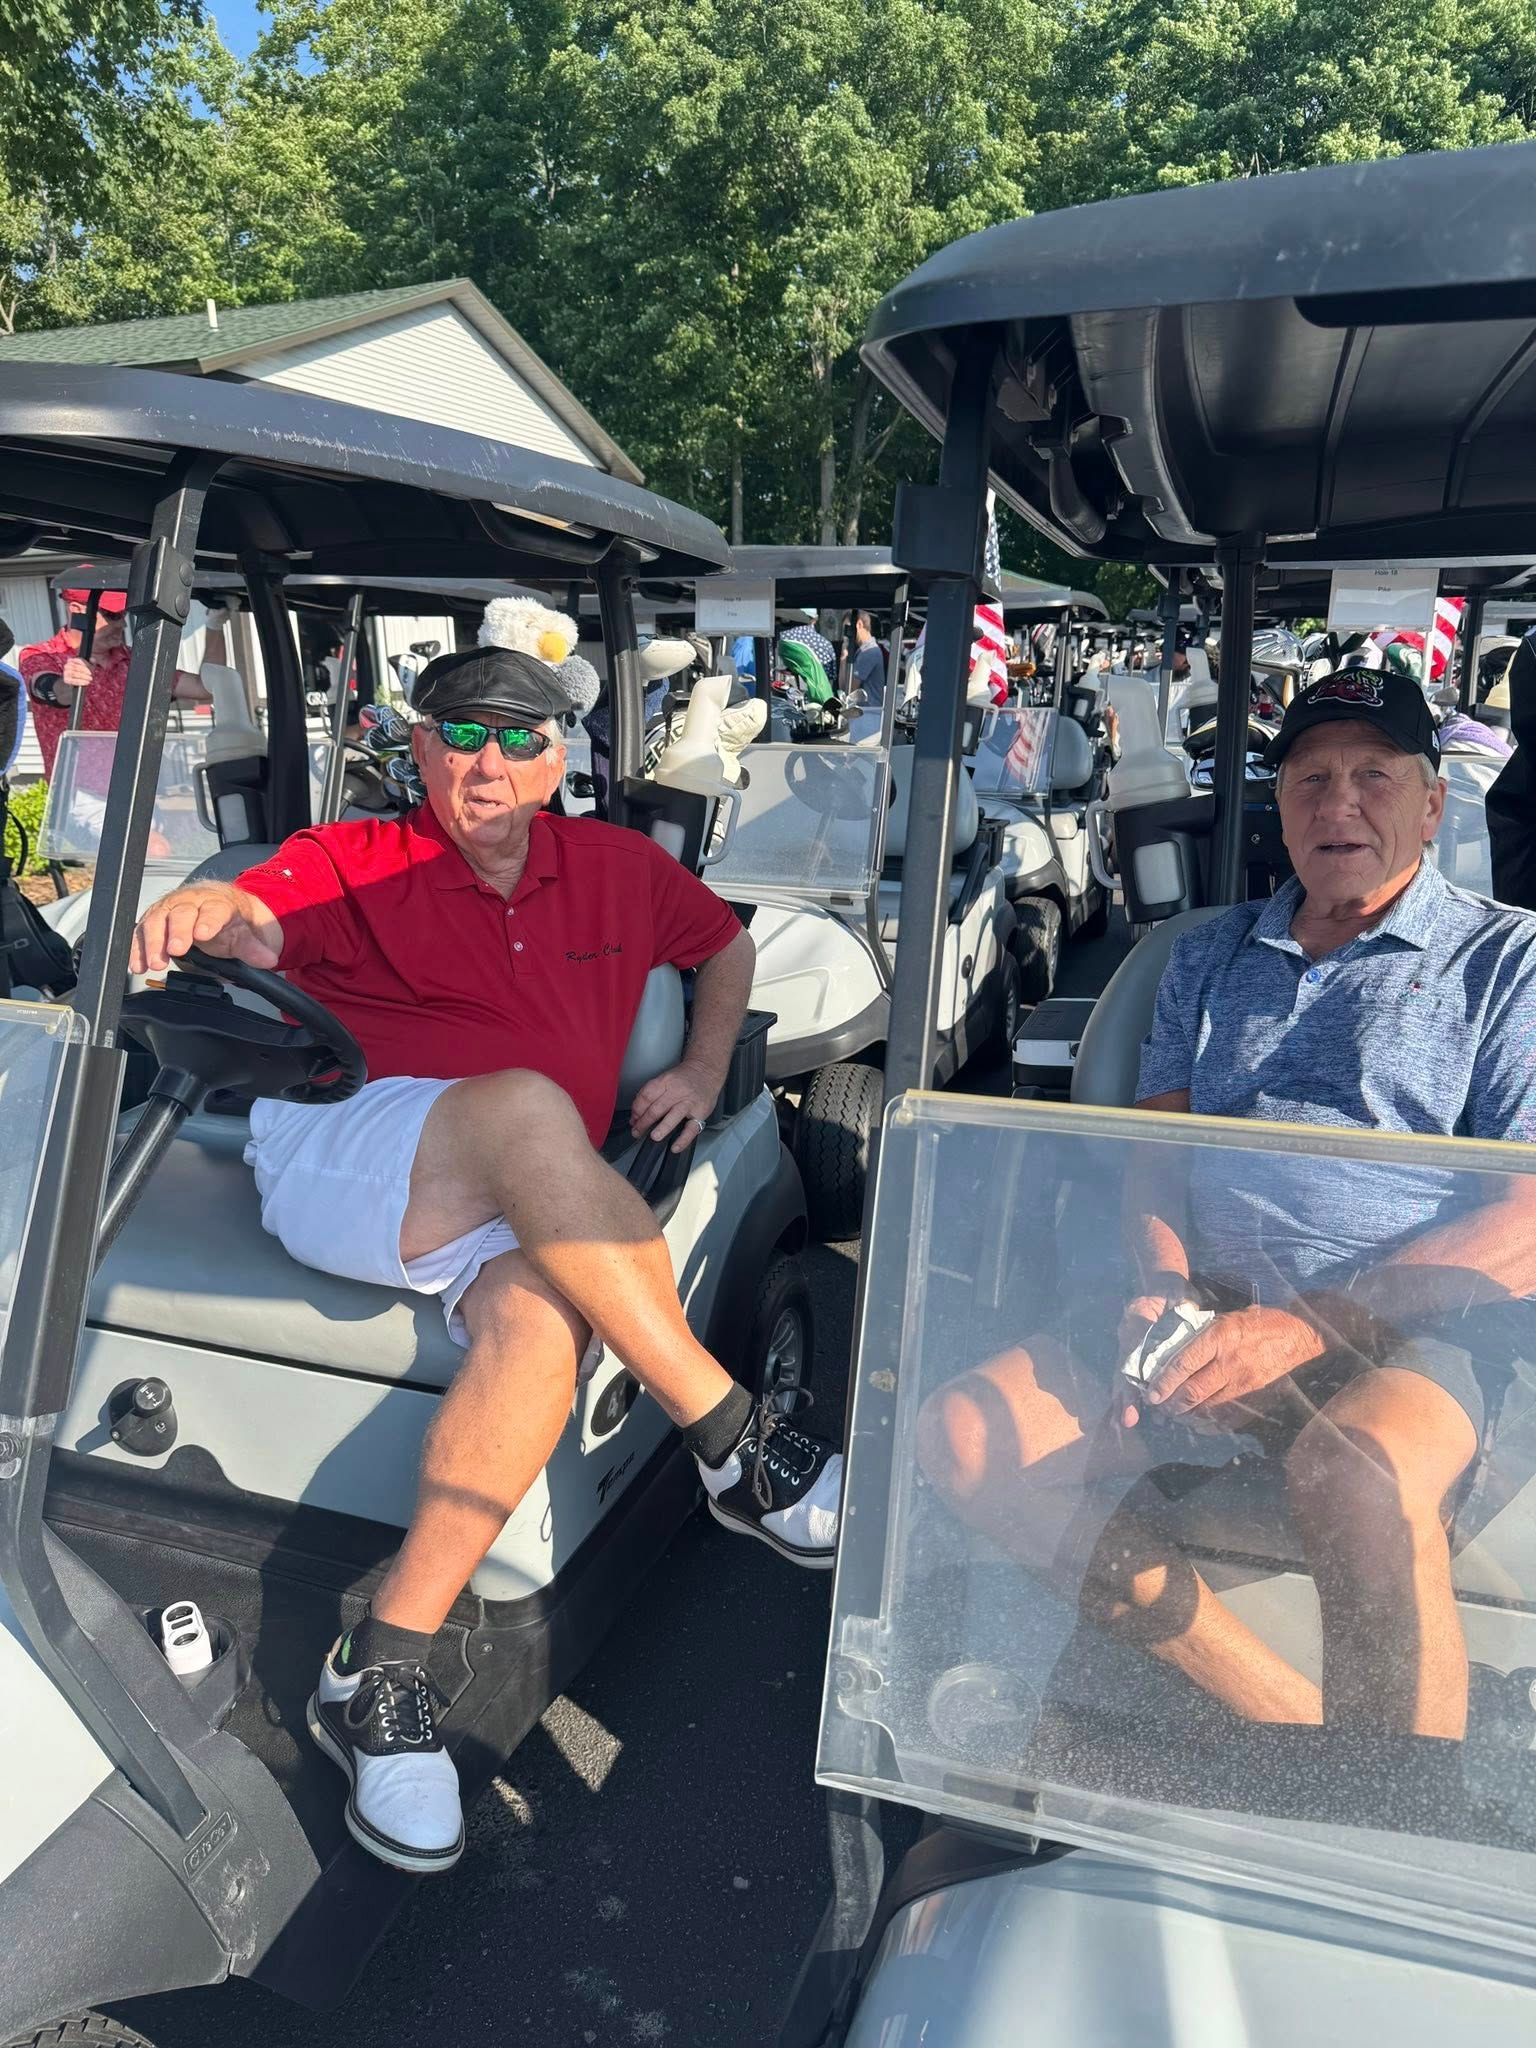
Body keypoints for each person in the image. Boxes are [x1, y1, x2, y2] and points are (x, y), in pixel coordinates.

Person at [130, 642, 844, 1874]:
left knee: (543, 1323)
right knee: (522, 1106)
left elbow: (723, 947)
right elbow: (262, 910)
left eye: (521, 738)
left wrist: (695, 1067)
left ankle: (381, 1669)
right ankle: (730, 1438)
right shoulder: (353, 859)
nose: (490, 762)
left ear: (559, 757)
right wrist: (213, 907)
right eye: (462, 735)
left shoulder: (617, 866)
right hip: (348, 1148)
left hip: (517, 1186)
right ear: (418, 749)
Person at [919, 667, 1536, 1740]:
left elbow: (1526, 1219)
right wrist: (1163, 1283)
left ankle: (1405, 1798)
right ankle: (1306, 1729)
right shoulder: (1205, 954)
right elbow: (1157, 1157)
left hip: (1414, 1327)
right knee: (966, 1434)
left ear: (1433, 804)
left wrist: (1298, 1328)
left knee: (1358, 1474)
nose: (1338, 802)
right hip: (1216, 1306)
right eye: (1311, 778)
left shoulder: (1509, 962)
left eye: (1373, 775)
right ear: (1281, 804)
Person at [18, 587, 131, 780]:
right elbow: (50, 690)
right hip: (79, 794)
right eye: (113, 615)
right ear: (78, 611)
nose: (122, 623)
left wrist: (203, 625)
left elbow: (198, 686)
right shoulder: (41, 656)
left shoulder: (132, 657)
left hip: (137, 784)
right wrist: (68, 683)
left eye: (124, 614)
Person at [851, 610, 886, 706]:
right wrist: (843, 656)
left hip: (868, 713)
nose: (847, 634)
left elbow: (850, 690)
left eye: (848, 628)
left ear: (859, 624)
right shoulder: (863, 651)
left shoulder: (869, 652)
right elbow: (844, 687)